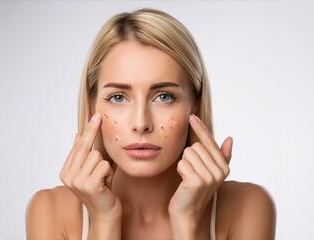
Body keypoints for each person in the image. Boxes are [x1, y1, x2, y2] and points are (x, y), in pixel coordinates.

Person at [25, 8, 276, 240]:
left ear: (195, 104)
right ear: (93, 107)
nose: (141, 123)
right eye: (118, 97)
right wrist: (103, 222)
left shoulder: (248, 207)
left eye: (164, 96)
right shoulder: (50, 210)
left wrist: (188, 222)